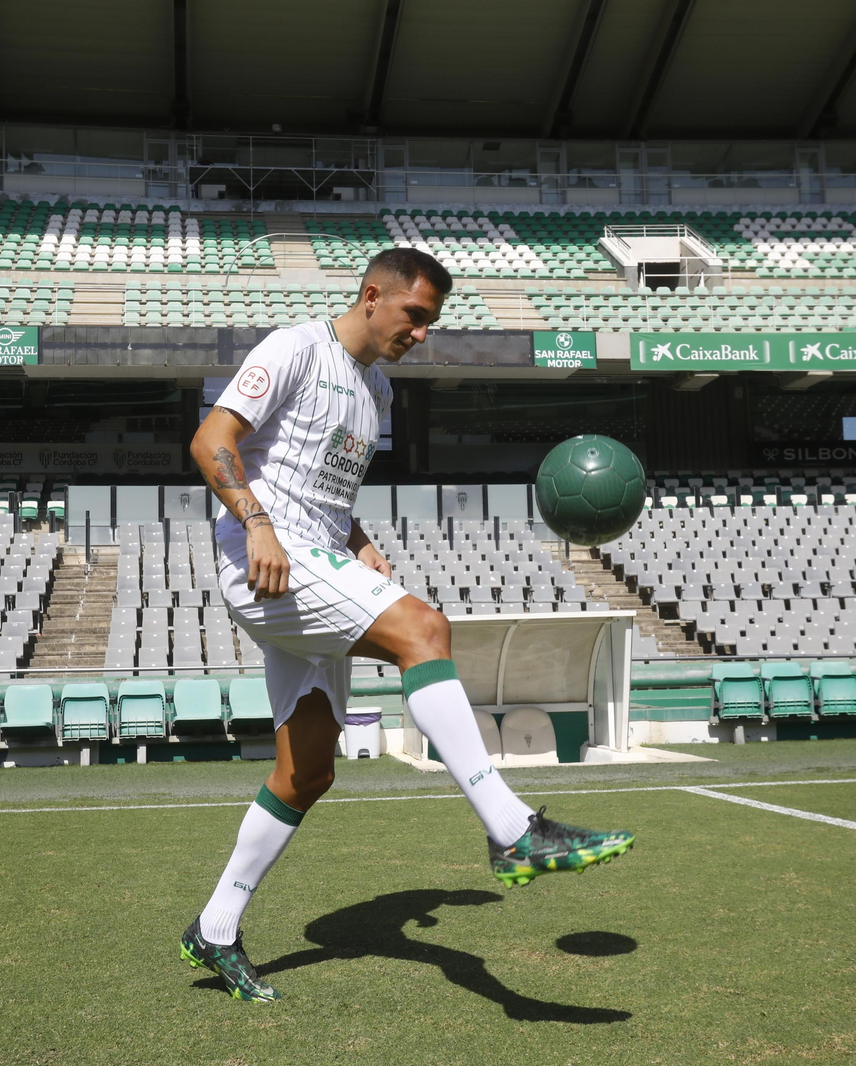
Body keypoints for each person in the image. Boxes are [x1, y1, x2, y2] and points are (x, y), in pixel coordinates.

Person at [178, 248, 633, 1002]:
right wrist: (256, 525)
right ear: (371, 296)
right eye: (414, 315)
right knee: (425, 629)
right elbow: (211, 441)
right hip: (265, 562)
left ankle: (214, 930)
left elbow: (316, 484)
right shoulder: (295, 347)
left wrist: (359, 542)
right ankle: (512, 827)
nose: (421, 333)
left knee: (308, 770)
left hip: (316, 559)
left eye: (432, 322)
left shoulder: (376, 392)